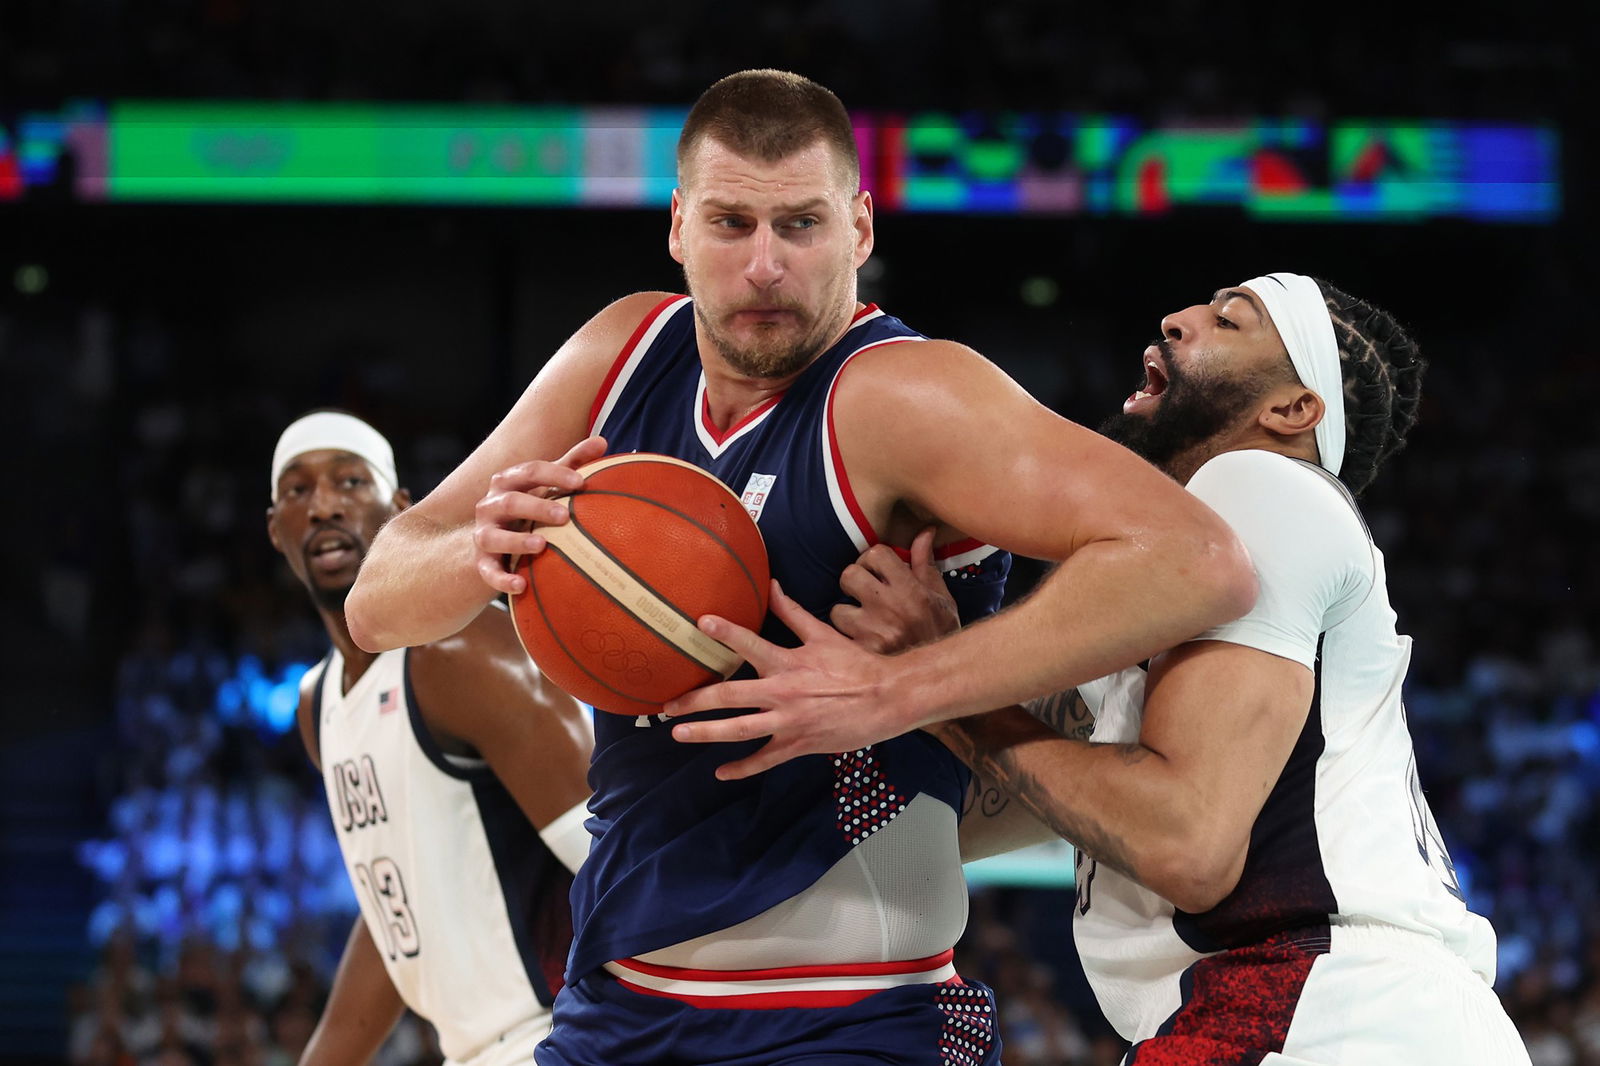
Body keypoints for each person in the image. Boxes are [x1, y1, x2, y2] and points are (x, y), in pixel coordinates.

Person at [346, 70, 1256, 1066]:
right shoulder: (622, 351)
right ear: (678, 226)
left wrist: (900, 687)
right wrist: (482, 543)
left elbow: (1196, 558)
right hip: (616, 1009)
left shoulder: (899, 394)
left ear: (859, 229)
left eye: (802, 224)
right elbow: (378, 597)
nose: (767, 265)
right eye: (732, 224)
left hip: (851, 1014)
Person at [794, 274, 1532, 1064]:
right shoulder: (1158, 606)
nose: (1177, 320)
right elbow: (978, 811)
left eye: (1229, 321)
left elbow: (1186, 844)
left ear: (1290, 412)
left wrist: (927, 677)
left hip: (1320, 1006)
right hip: (1312, 1009)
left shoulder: (1260, 484)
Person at [265, 410, 593, 1066]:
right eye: (299, 491)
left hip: (566, 1033)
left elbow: (621, 859)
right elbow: (400, 914)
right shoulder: (318, 703)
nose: (325, 504)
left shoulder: (461, 646)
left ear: (400, 509)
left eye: (352, 483)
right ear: (277, 530)